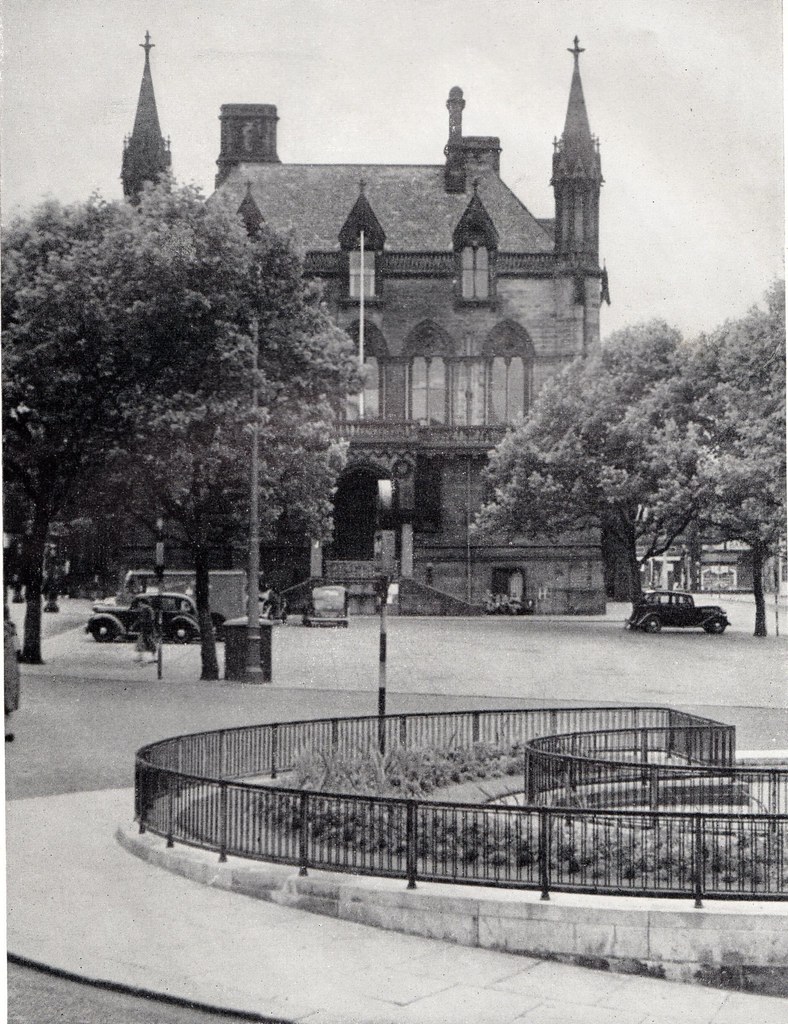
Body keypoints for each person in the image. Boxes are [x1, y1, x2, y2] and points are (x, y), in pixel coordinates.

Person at [4, 615, 21, 741]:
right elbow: (17, 649)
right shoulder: (11, 629)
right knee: (7, 702)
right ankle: (7, 731)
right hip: (9, 669)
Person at [134, 600, 158, 664]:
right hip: (148, 628)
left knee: (149, 642)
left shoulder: (145, 609)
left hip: (146, 628)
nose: (139, 605)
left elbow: (143, 619)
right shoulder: (149, 609)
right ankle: (141, 656)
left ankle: (153, 657)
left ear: (142, 603)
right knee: (142, 642)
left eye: (140, 603)